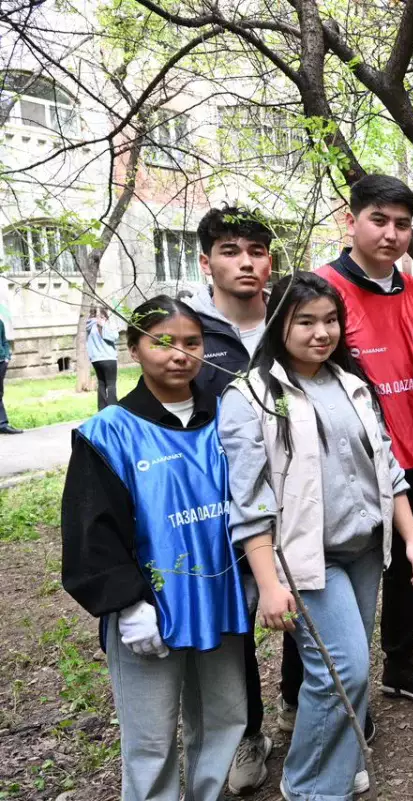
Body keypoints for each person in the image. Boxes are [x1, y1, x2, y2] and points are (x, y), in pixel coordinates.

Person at [220, 272, 413, 801]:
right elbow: (249, 503)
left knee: (345, 673)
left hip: (363, 550)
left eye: (331, 320)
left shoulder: (351, 383)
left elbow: (388, 469)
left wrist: (410, 537)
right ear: (278, 325)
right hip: (307, 559)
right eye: (306, 321)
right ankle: (311, 784)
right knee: (344, 671)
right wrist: (268, 584)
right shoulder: (252, 395)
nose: (322, 332)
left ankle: (339, 762)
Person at [61, 296, 251, 801]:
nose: (179, 355)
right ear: (134, 348)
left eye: (192, 343)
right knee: (150, 738)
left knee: (224, 718)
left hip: (221, 603)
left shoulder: (227, 421)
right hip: (148, 610)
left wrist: (252, 578)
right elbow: (90, 531)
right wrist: (125, 604)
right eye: (162, 342)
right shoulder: (110, 434)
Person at [314, 175, 413, 704]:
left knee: (412, 563)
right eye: (379, 220)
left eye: (402, 224)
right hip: (347, 465)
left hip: (412, 456)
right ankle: (306, 687)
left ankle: (400, 659)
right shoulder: (323, 290)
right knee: (334, 574)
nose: (392, 234)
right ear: (351, 221)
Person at [182, 205, 277, 794]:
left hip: (296, 496)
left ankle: (302, 702)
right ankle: (247, 731)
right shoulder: (190, 333)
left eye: (257, 252)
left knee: (303, 599)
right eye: (231, 251)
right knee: (234, 621)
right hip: (219, 504)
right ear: (206, 261)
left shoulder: (291, 317)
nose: (246, 263)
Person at [87, 307, 121, 410]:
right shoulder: (104, 324)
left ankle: (101, 409)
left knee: (101, 384)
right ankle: (113, 408)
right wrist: (106, 326)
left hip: (95, 360)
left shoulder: (89, 326)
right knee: (111, 384)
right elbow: (114, 337)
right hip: (108, 358)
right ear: (104, 316)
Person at [0, 288, 18, 434]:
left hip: (1, 361)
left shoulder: (0, 323)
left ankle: (2, 424)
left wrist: (6, 357)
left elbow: (4, 341)